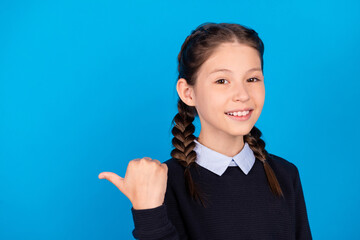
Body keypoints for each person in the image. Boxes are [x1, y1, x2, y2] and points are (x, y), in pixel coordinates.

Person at [98, 22, 312, 240]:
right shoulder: (162, 183)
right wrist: (148, 213)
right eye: (222, 80)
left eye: (252, 79)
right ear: (188, 93)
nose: (243, 94)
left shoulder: (285, 175)